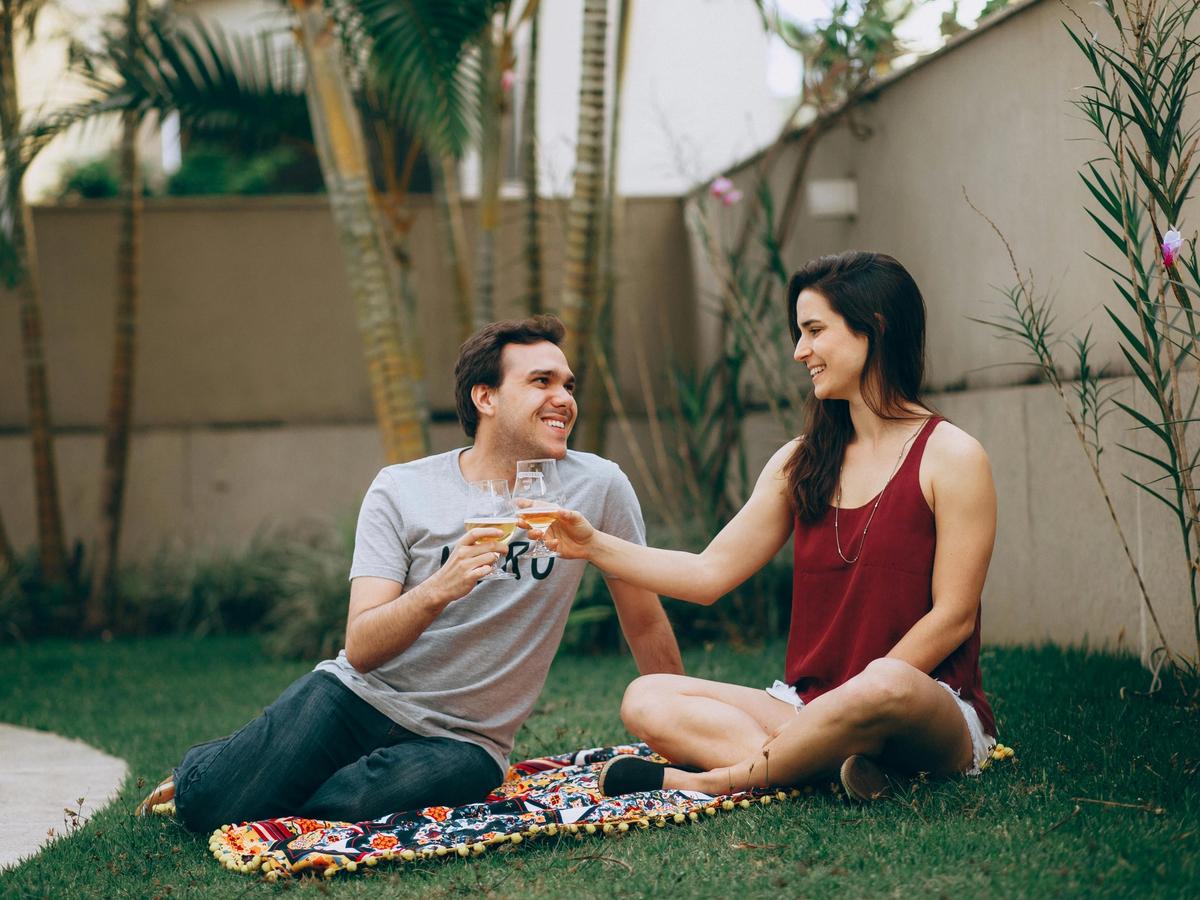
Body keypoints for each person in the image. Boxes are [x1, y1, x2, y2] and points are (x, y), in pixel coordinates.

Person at [138, 315, 683, 830]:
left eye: (567, 385)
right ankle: (215, 767)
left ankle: (266, 764)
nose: (563, 399)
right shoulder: (402, 489)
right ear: (485, 397)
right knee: (212, 805)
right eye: (542, 381)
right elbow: (362, 648)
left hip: (465, 742)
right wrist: (439, 589)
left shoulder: (597, 486)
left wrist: (683, 733)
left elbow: (643, 619)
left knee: (339, 806)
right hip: (356, 699)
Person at [527, 252, 998, 801]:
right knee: (646, 697)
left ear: (875, 328)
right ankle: (834, 764)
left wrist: (850, 700)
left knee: (888, 684)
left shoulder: (953, 456)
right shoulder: (801, 461)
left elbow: (953, 617)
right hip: (805, 704)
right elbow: (708, 574)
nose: (800, 352)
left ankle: (719, 780)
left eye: (815, 331)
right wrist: (591, 544)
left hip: (924, 702)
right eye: (799, 334)